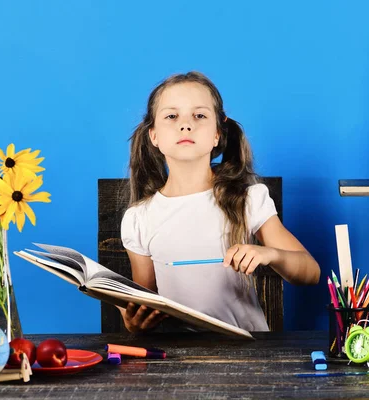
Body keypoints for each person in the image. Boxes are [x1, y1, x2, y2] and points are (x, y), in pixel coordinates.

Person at [121, 71, 320, 333]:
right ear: (153, 136)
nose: (186, 125)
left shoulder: (248, 199)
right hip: (178, 359)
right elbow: (144, 303)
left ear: (217, 134)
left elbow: (311, 273)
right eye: (172, 116)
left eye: (199, 115)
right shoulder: (139, 219)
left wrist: (269, 253)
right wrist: (133, 322)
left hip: (246, 355)